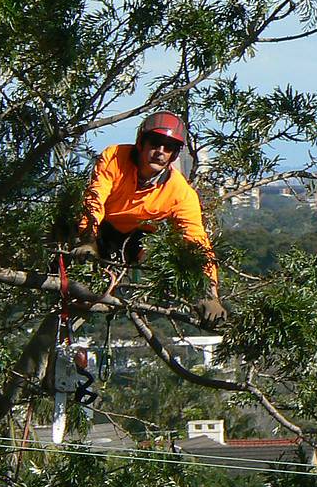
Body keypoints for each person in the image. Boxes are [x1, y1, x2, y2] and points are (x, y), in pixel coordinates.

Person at [71, 111, 227, 327]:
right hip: (98, 230)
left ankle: (137, 294)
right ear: (141, 142)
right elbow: (94, 201)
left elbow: (196, 242)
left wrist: (210, 294)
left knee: (163, 250)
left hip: (134, 240)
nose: (160, 152)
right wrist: (88, 240)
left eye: (169, 147)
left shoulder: (179, 192)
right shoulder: (114, 158)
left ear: (174, 155)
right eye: (155, 143)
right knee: (76, 262)